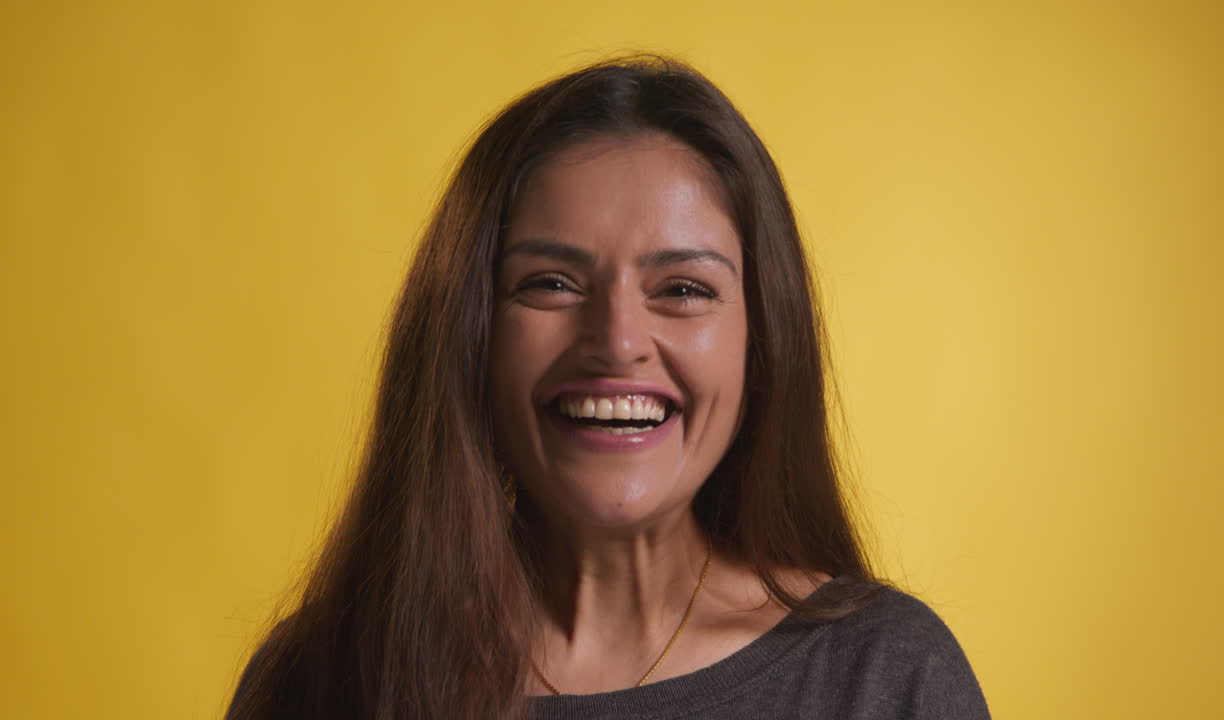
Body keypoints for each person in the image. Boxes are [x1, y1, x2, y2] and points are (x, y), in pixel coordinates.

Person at [227, 55, 990, 720]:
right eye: (551, 283)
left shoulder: (884, 680)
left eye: (684, 289)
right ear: (471, 336)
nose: (618, 342)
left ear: (762, 345)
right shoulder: (319, 681)